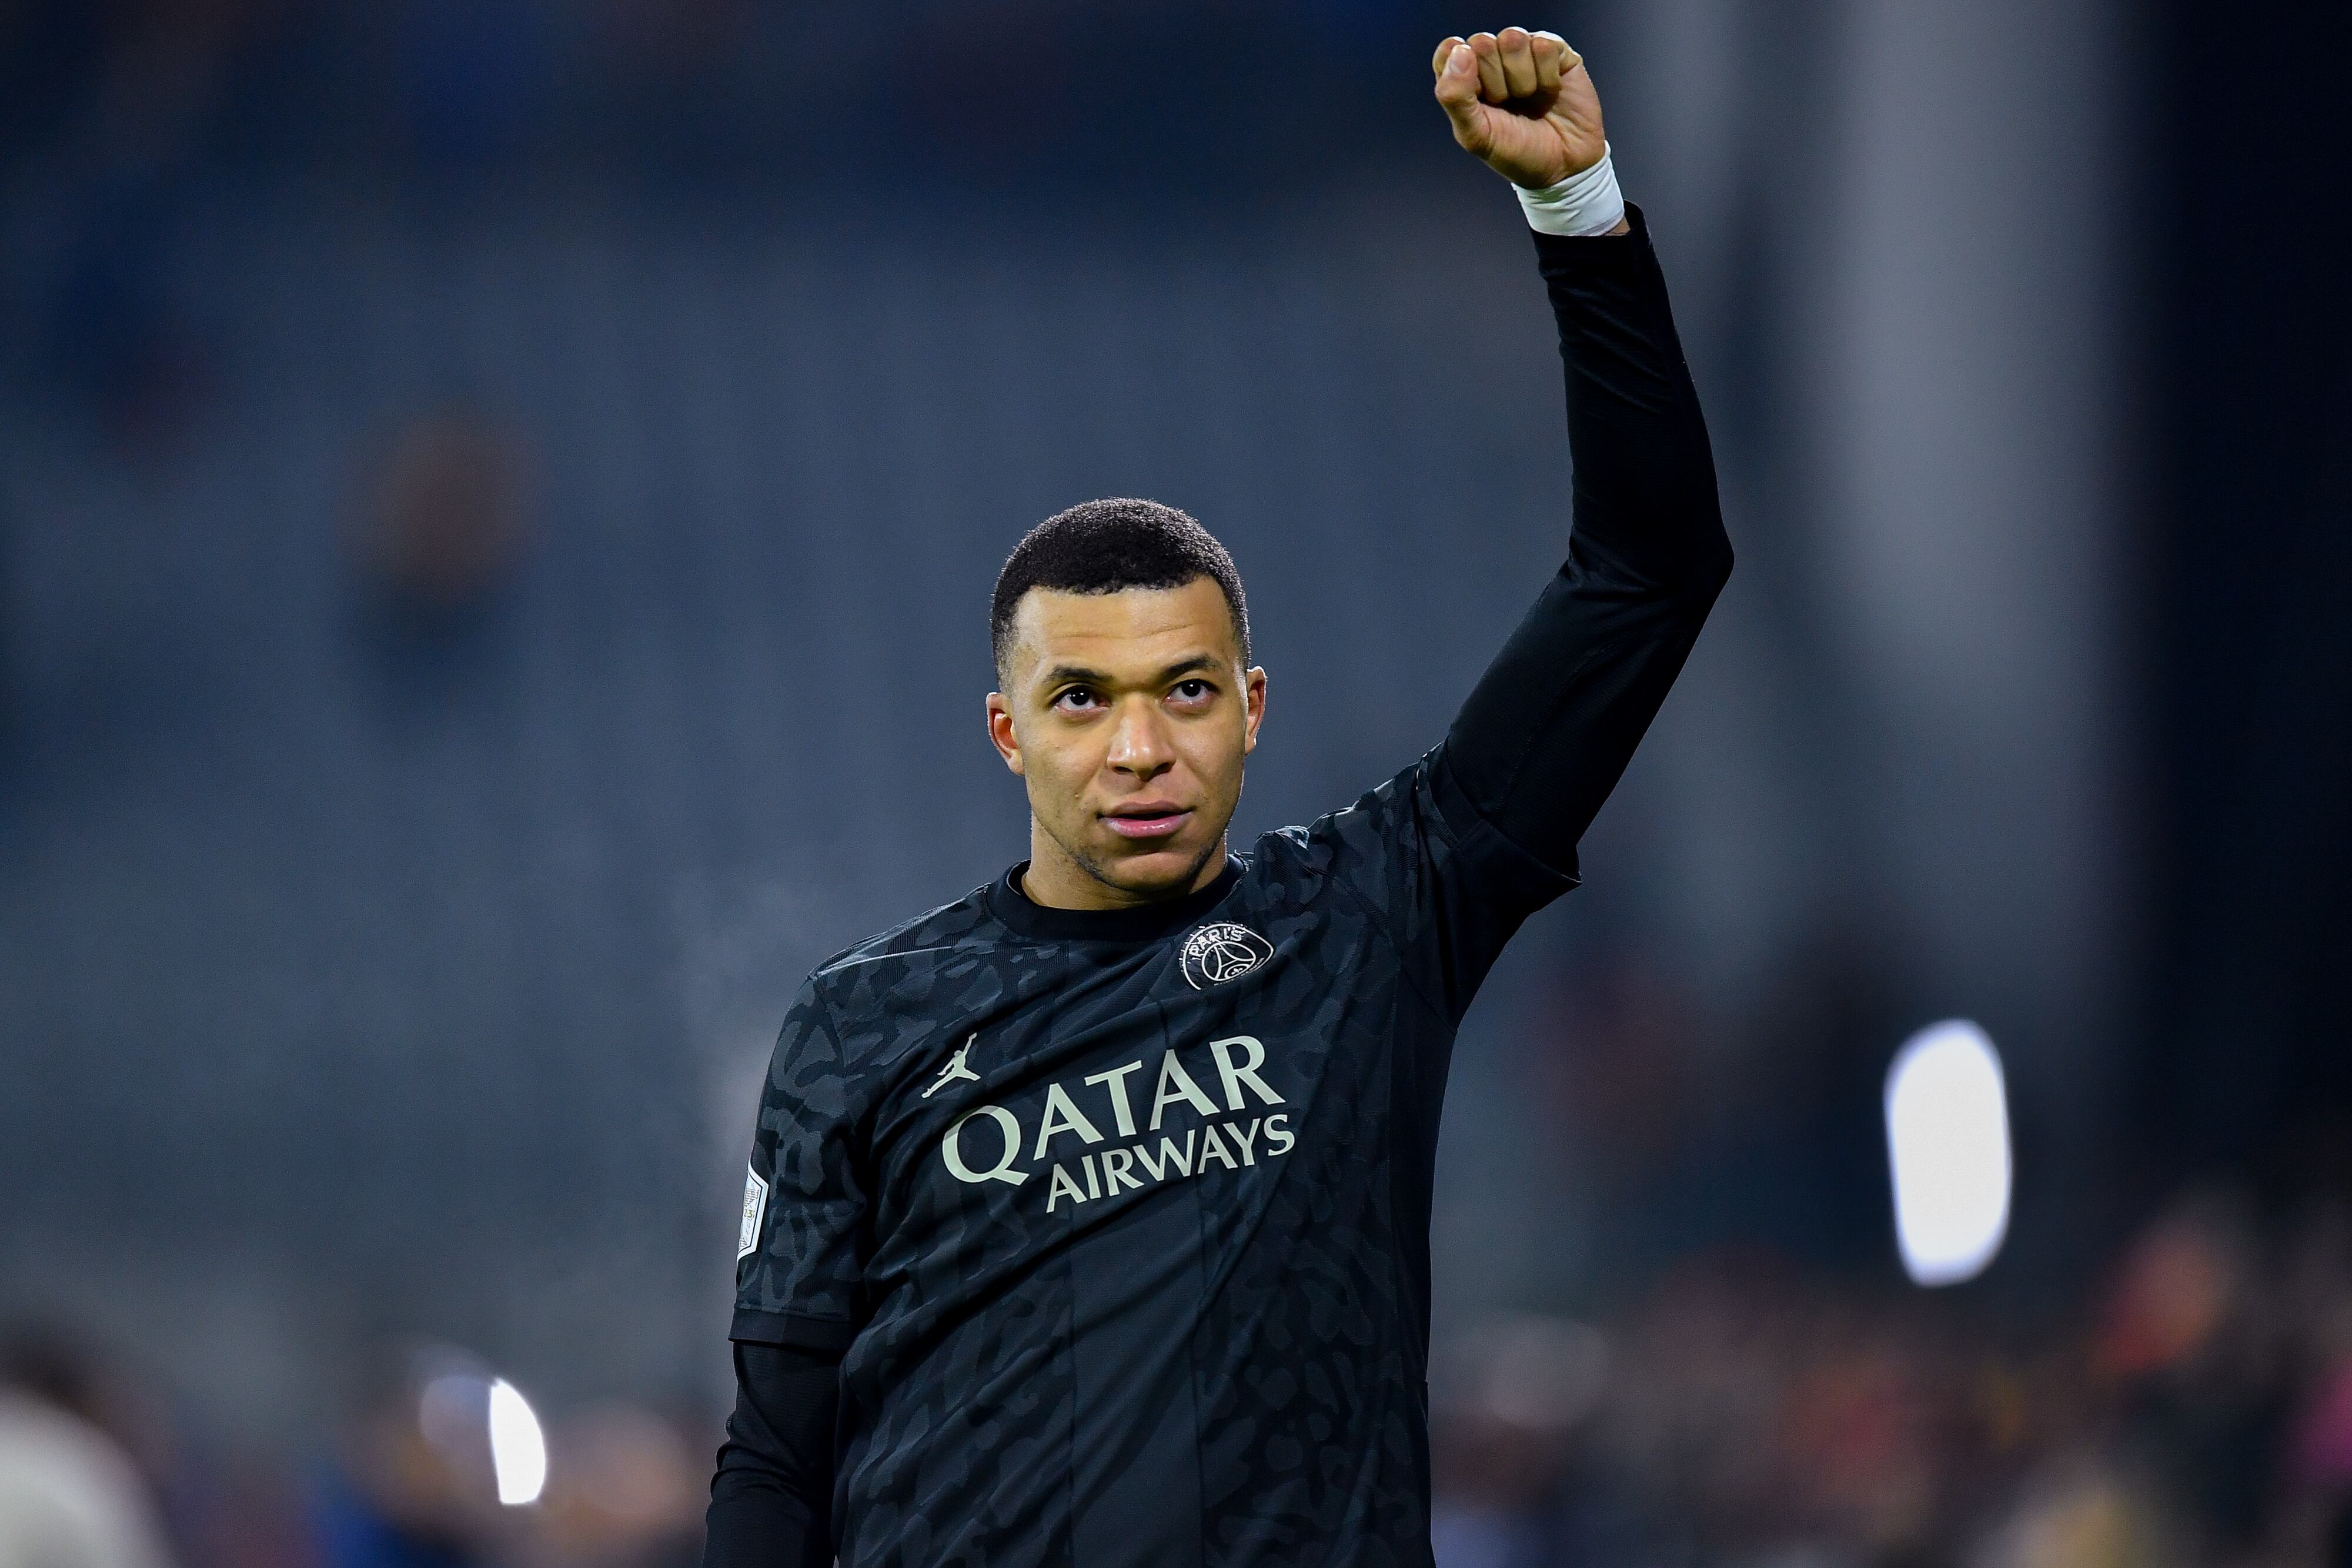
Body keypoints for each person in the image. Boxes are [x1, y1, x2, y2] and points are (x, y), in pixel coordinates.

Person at [703, 26, 1730, 1567]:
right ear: (1006, 732)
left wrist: (1580, 213)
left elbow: (1651, 570)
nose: (1137, 745)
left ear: (1252, 714)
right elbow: (778, 1459)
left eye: (1185, 690)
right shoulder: (860, 1028)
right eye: (1081, 699)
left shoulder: (1375, 914)